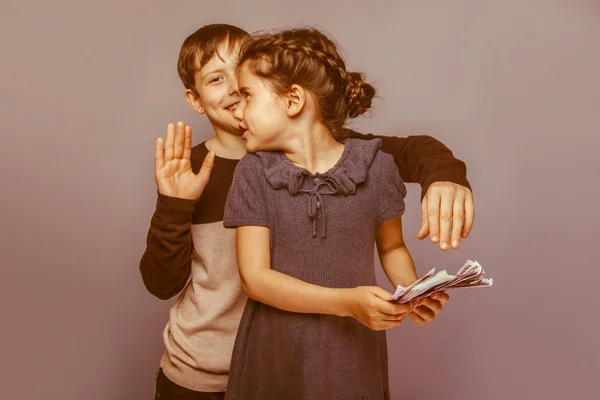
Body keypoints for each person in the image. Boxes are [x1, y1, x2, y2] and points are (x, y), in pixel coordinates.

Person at [141, 24, 471, 400]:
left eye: (244, 76)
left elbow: (414, 152)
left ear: (289, 95)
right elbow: (162, 283)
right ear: (196, 99)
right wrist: (173, 205)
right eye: (218, 78)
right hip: (207, 374)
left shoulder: (346, 155)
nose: (235, 88)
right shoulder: (191, 168)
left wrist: (447, 176)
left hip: (316, 367)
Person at [222, 27, 453, 400]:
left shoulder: (377, 169)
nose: (238, 111)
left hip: (352, 358)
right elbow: (255, 279)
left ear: (293, 99)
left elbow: (392, 248)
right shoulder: (253, 172)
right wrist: (346, 302)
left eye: (247, 95)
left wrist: (412, 291)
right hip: (274, 356)